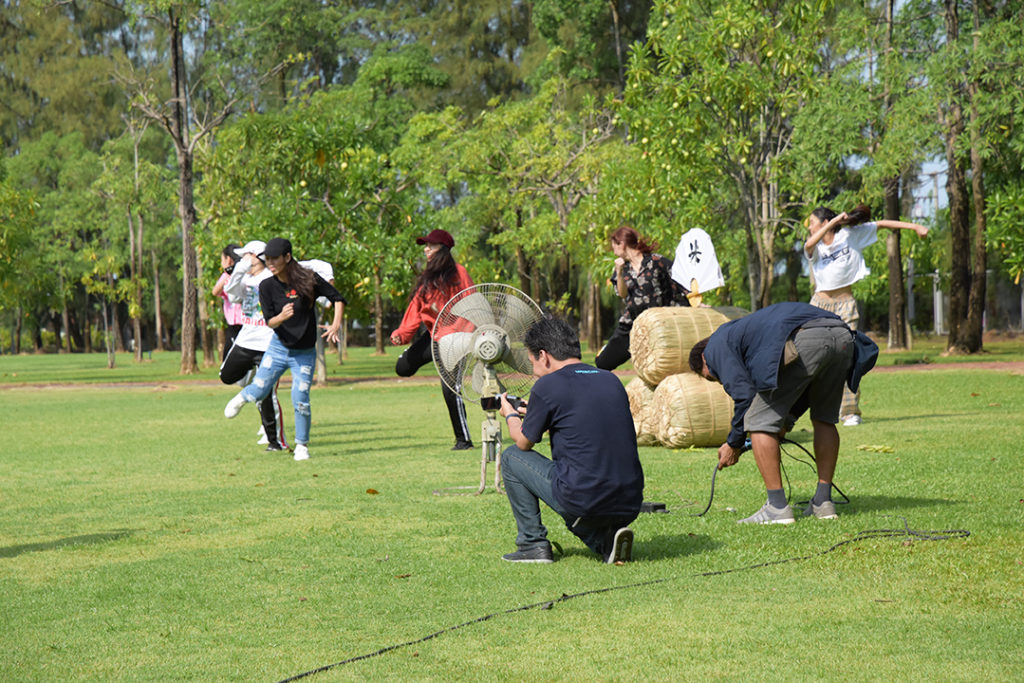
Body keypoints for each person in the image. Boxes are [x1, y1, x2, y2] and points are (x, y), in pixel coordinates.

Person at [689, 301, 877, 525]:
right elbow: (802, 388)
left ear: (703, 359)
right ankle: (823, 502)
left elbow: (745, 396)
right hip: (843, 336)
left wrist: (734, 443)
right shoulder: (744, 335)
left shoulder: (714, 348)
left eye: (711, 377)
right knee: (824, 418)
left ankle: (777, 508)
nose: (719, 381)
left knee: (758, 422)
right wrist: (786, 421)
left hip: (807, 336)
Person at [497, 317, 644, 564]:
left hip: (583, 499)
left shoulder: (548, 385)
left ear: (543, 356)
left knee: (512, 457)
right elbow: (580, 422)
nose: (534, 372)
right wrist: (537, 414)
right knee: (583, 497)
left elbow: (523, 442)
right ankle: (606, 542)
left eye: (533, 363)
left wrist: (510, 414)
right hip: (630, 501)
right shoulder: (610, 379)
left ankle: (532, 544)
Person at [804, 204, 928, 425]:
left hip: (845, 305)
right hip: (819, 305)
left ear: (823, 223)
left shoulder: (851, 236)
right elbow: (809, 244)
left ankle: (850, 412)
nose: (809, 227)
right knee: (811, 355)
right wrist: (833, 222)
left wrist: (915, 226)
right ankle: (804, 409)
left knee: (846, 357)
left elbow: (882, 224)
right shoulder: (816, 248)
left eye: (812, 223)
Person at [224, 238, 346, 462]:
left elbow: (337, 298)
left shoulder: (308, 279)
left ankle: (302, 446)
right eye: (267, 259)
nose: (270, 263)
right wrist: (281, 317)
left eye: (274, 259)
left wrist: (336, 324)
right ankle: (242, 398)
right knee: (260, 389)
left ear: (287, 257)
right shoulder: (267, 286)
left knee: (300, 398)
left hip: (304, 354)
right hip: (278, 348)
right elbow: (270, 321)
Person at [390, 229, 475, 451]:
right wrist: (403, 334)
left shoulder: (459, 273)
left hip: (457, 337)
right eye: (425, 246)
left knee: (450, 388)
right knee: (402, 367)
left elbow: (472, 303)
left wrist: (470, 336)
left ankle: (463, 441)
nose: (426, 249)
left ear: (443, 250)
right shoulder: (426, 278)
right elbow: (415, 309)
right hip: (434, 336)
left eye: (431, 246)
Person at [219, 240, 288, 452]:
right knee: (226, 376)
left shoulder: (272, 278)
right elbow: (232, 294)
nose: (243, 259)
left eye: (247, 255)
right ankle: (253, 387)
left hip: (268, 342)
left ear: (257, 256)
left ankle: (275, 442)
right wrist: (239, 270)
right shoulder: (245, 277)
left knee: (268, 394)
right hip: (246, 339)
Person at [596, 224, 689, 371]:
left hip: (661, 324)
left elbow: (682, 282)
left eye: (614, 245)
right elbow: (622, 294)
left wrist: (696, 302)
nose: (613, 250)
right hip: (632, 324)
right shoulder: (623, 268)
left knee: (661, 367)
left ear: (622, 243)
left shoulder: (657, 261)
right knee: (603, 362)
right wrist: (619, 273)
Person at [212, 244, 244, 364]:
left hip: (244, 324)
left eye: (222, 259)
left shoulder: (244, 274)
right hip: (233, 325)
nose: (221, 263)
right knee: (228, 359)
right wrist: (228, 274)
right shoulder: (227, 276)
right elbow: (215, 291)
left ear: (228, 259)